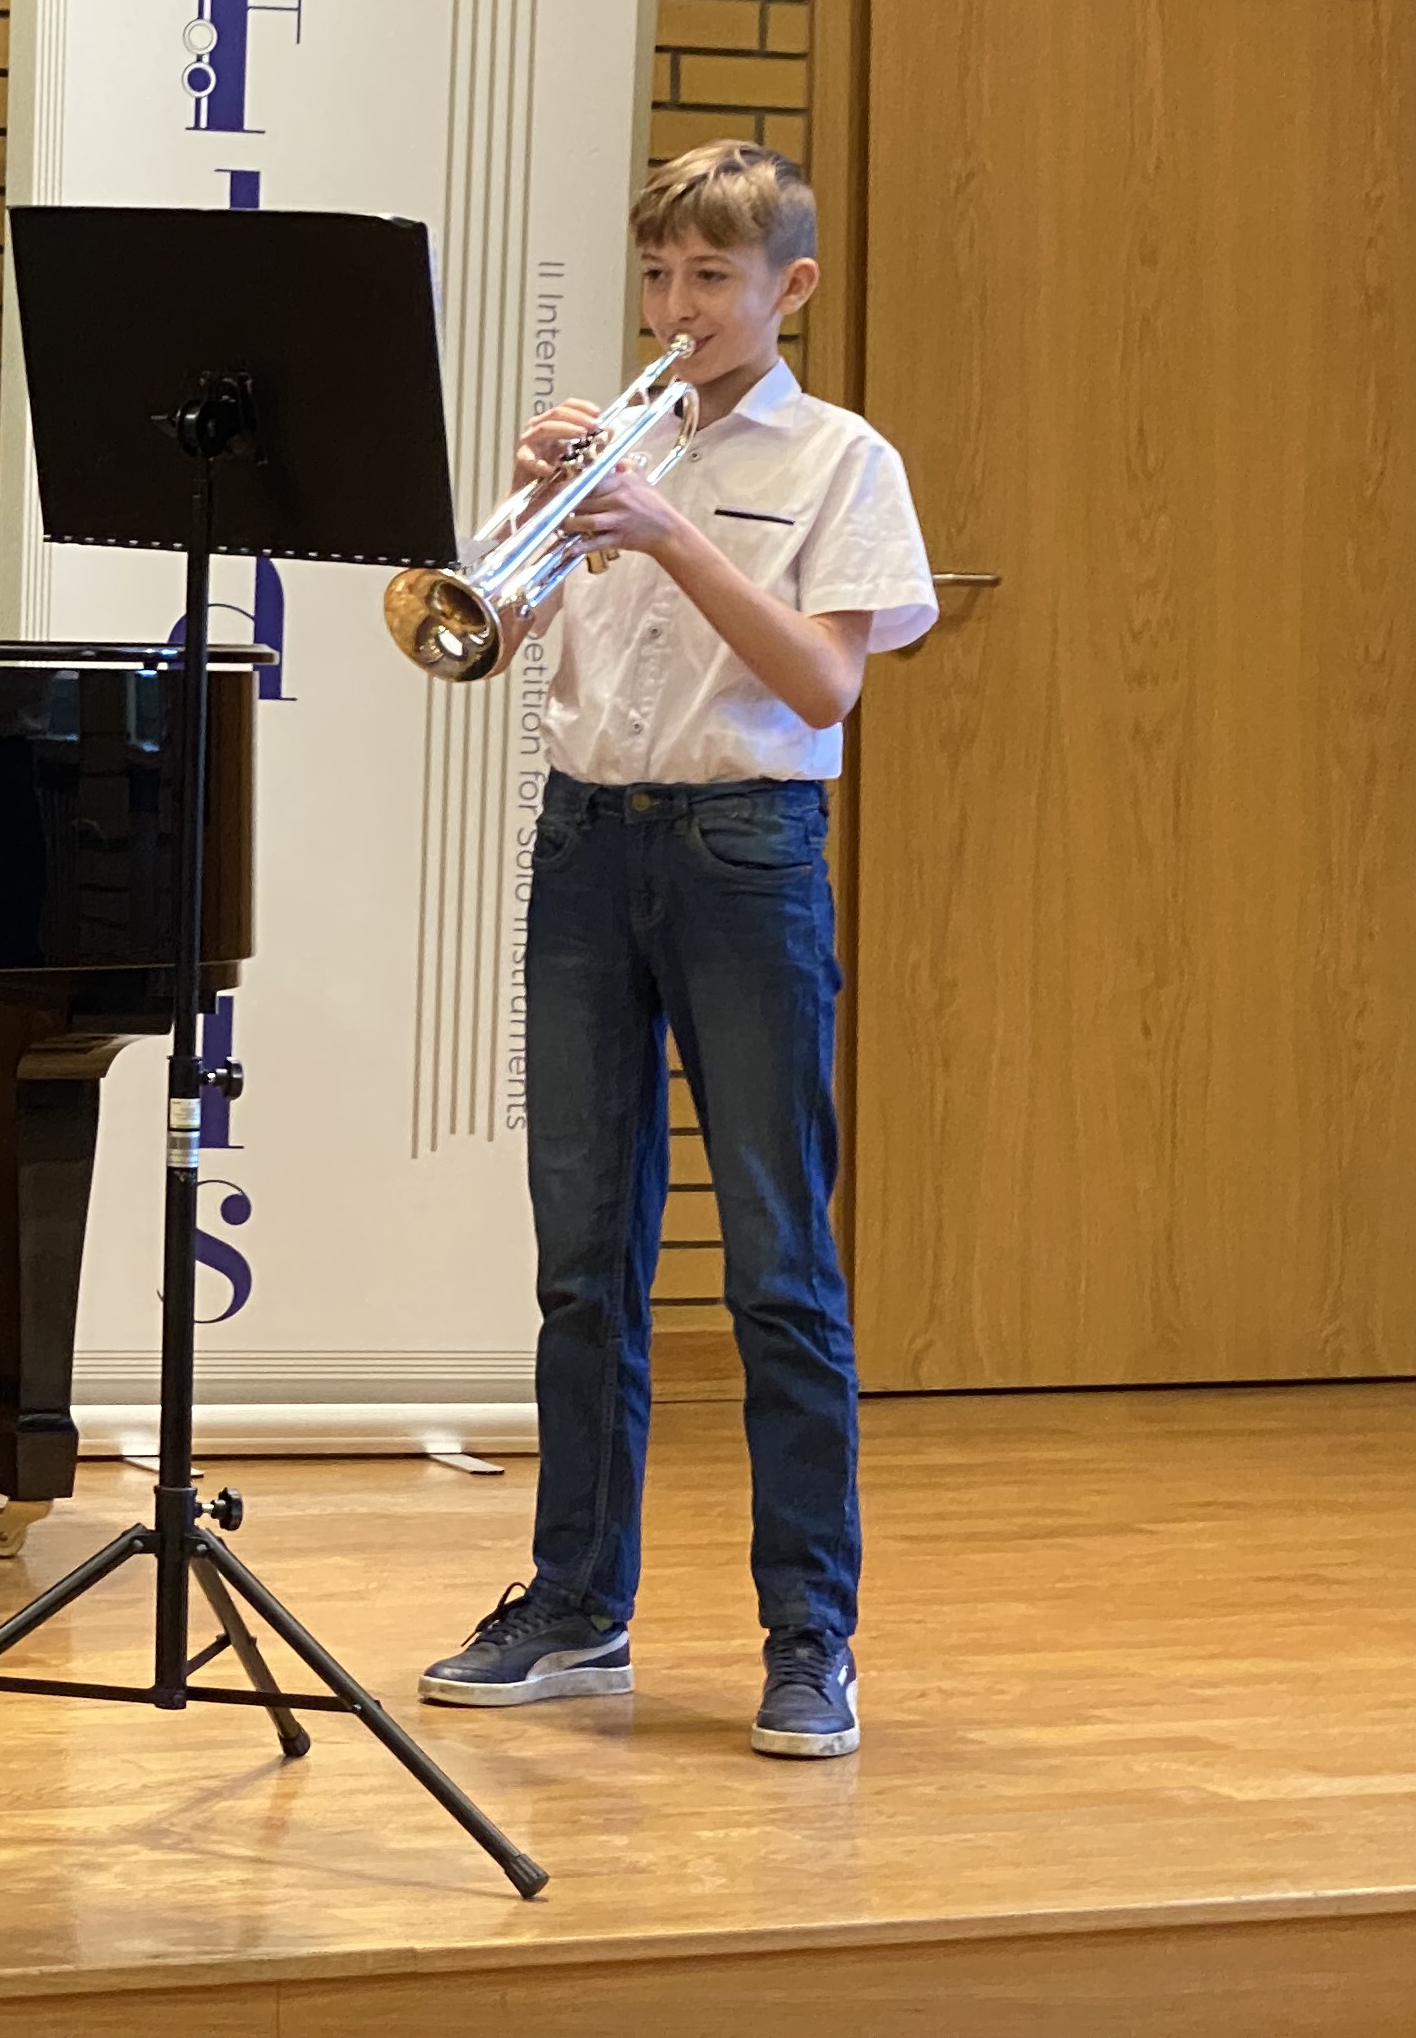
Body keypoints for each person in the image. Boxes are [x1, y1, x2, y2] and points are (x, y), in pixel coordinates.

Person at [413, 140, 934, 1761]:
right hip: (584, 846)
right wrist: (534, 516)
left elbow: (828, 686)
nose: (675, 309)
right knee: (584, 1256)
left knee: (779, 1265)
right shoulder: (605, 455)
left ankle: (810, 1635)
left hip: (743, 858)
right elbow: (489, 643)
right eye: (657, 276)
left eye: (711, 279)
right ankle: (576, 1609)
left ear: (790, 288)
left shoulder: (846, 460)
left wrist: (675, 532)